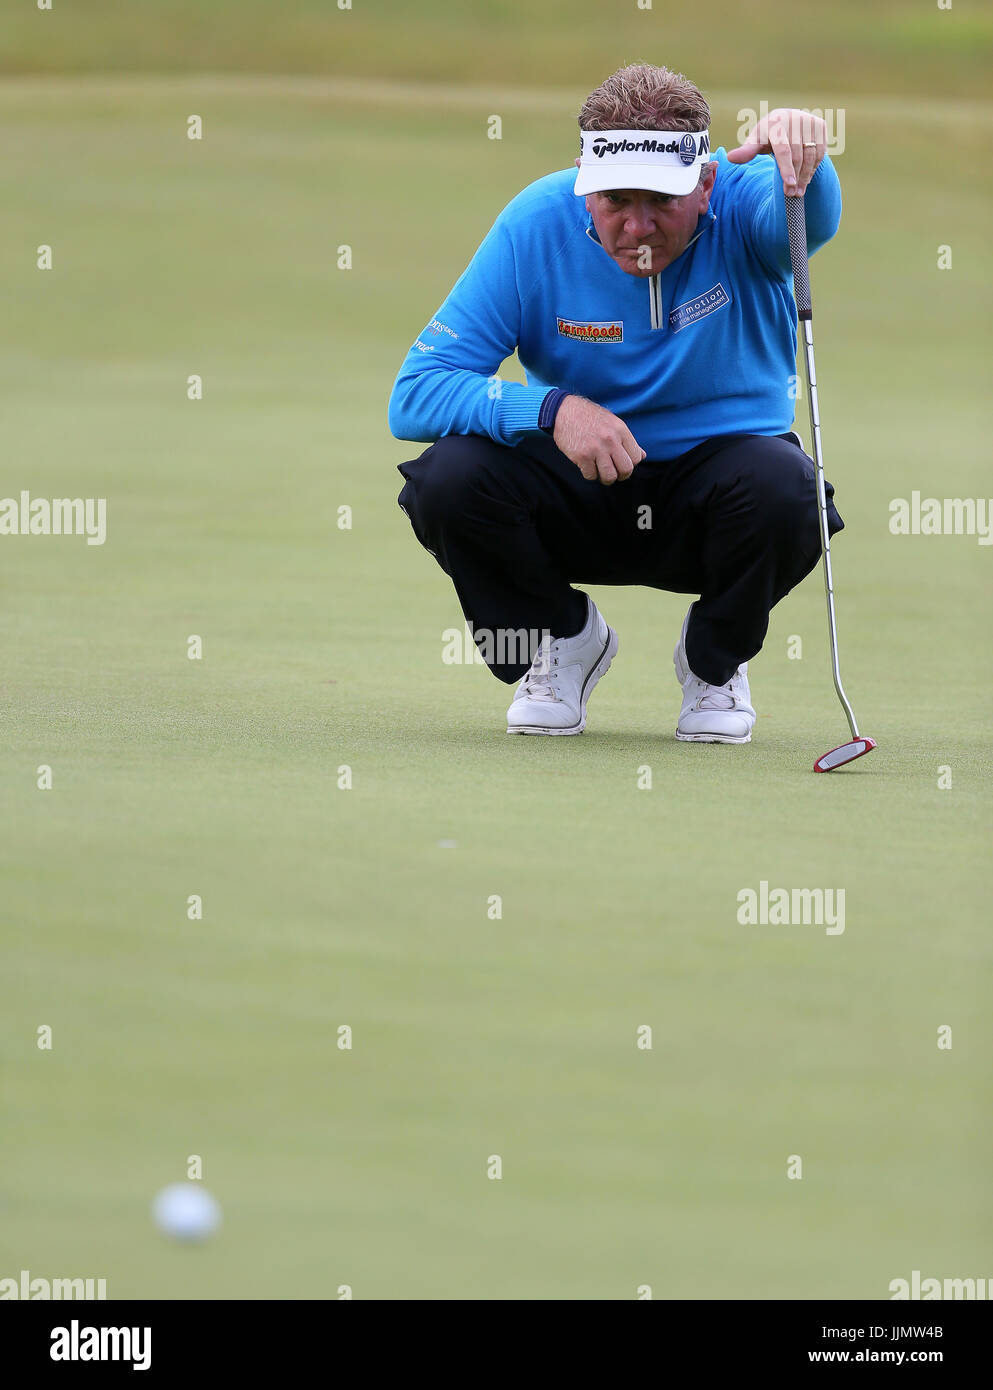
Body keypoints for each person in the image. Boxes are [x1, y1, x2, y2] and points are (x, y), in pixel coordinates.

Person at [388, 63, 843, 742]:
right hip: (579, 490)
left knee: (786, 489)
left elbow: (809, 222)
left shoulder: (748, 203)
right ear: (583, 181)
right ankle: (559, 639)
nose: (638, 227)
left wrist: (807, 157)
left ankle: (712, 661)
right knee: (448, 478)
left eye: (661, 201)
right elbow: (417, 392)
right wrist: (552, 410)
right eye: (614, 201)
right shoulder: (536, 222)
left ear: (705, 181)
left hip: (717, 502)